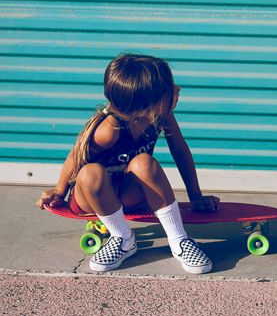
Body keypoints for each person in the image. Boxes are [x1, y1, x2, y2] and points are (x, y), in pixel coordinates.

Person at [36, 53, 220, 273]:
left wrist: (196, 197)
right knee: (90, 173)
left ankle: (179, 240)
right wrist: (59, 190)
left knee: (144, 163)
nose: (178, 89)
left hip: (128, 194)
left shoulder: (161, 115)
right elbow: (76, 157)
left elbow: (179, 150)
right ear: (147, 103)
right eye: (170, 88)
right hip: (93, 197)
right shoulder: (108, 130)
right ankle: (122, 239)